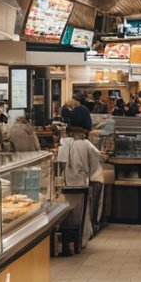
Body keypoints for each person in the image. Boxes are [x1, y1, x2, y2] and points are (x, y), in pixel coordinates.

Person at [56, 105, 102, 254]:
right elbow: (95, 163)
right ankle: (80, 241)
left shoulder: (64, 143)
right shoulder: (86, 145)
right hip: (81, 184)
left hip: (64, 184)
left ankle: (64, 241)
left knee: (66, 215)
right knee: (81, 214)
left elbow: (60, 164)